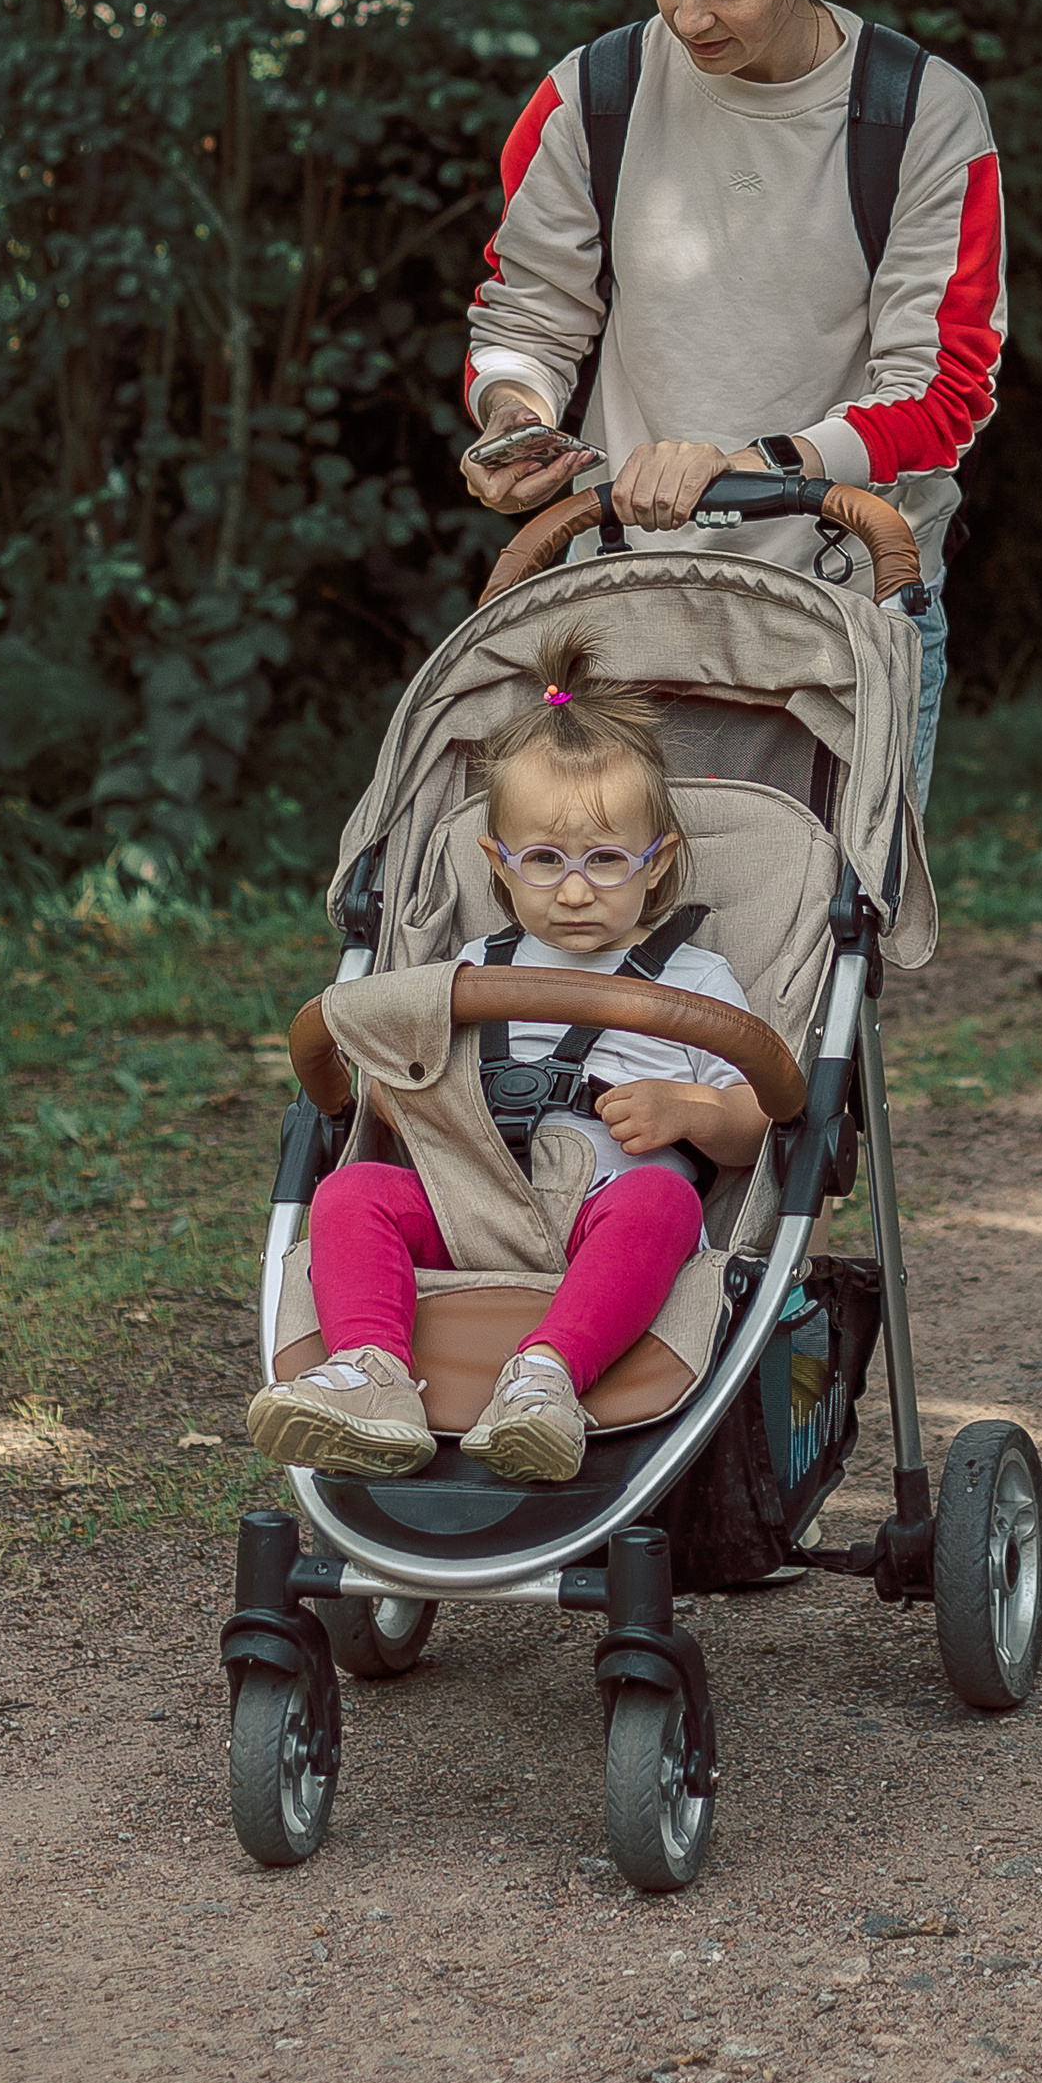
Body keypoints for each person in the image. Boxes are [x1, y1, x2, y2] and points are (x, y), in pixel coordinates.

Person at [461, 0, 1004, 805]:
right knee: (599, 932)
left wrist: (752, 466)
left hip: (847, 605)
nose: (688, 15)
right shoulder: (593, 95)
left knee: (816, 937)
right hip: (623, 600)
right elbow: (526, 317)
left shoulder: (919, 116)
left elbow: (941, 394)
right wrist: (513, 420)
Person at [248, 633, 765, 1489]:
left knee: (663, 1199)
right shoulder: (466, 973)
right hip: (466, 1207)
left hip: (599, 1216)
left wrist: (689, 1113)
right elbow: (386, 1094)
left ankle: (546, 1377)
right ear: (498, 863)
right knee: (351, 1191)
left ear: (657, 862)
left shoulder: (693, 977)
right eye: (545, 862)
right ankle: (374, 1374)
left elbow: (758, 1120)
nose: (574, 890)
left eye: (606, 861)